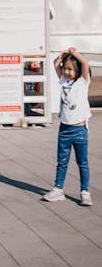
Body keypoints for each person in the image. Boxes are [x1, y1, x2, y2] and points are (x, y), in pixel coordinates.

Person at [42, 47, 92, 206]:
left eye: (70, 69)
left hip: (80, 130)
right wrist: (62, 57)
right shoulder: (63, 80)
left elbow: (84, 62)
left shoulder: (83, 82)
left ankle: (85, 192)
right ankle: (58, 190)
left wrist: (74, 53)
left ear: (77, 70)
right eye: (65, 69)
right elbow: (55, 64)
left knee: (82, 162)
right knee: (62, 162)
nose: (67, 72)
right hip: (64, 130)